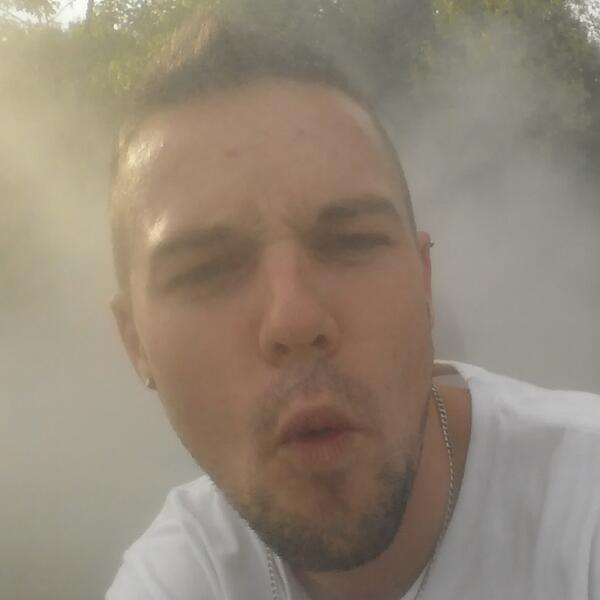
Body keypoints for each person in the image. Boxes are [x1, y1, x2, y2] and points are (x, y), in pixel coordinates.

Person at [105, 12, 600, 600]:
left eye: (353, 241)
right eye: (205, 270)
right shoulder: (181, 574)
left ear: (423, 282)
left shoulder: (583, 501)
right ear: (136, 344)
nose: (294, 319)